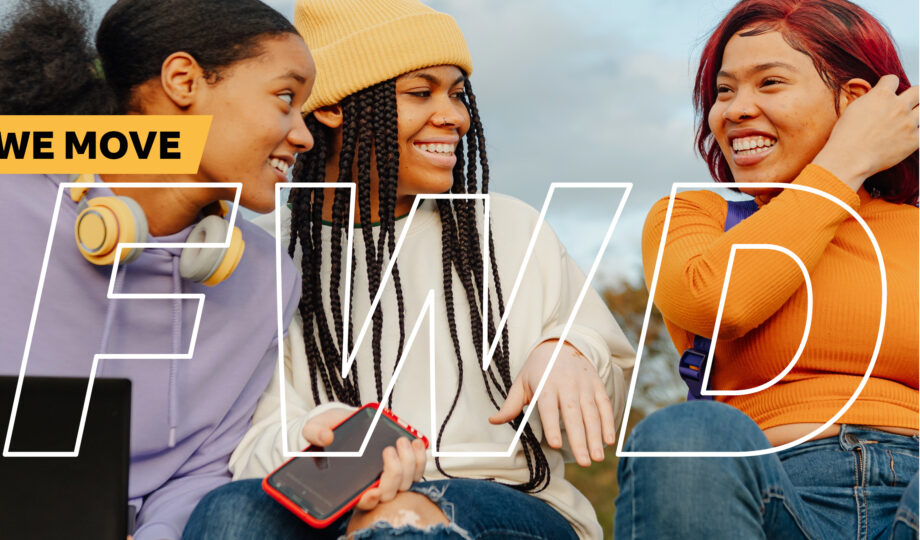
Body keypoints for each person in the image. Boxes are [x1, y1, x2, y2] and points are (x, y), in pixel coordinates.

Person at [183, 0, 635, 538]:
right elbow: (248, 439)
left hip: (508, 503)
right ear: (332, 109)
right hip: (327, 507)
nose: (455, 116)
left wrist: (571, 347)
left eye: (457, 94)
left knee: (401, 518)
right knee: (227, 513)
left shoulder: (507, 229)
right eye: (421, 93)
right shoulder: (261, 253)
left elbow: (606, 387)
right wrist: (312, 436)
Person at [0, 0, 315, 538]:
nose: (304, 136)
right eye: (286, 98)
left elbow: (203, 469)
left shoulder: (266, 279)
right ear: (183, 80)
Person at [616, 0, 919, 538]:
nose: (733, 109)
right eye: (725, 91)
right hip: (762, 495)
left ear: (855, 103)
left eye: (769, 83)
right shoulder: (693, 217)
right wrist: (843, 164)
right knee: (685, 434)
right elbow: (722, 303)